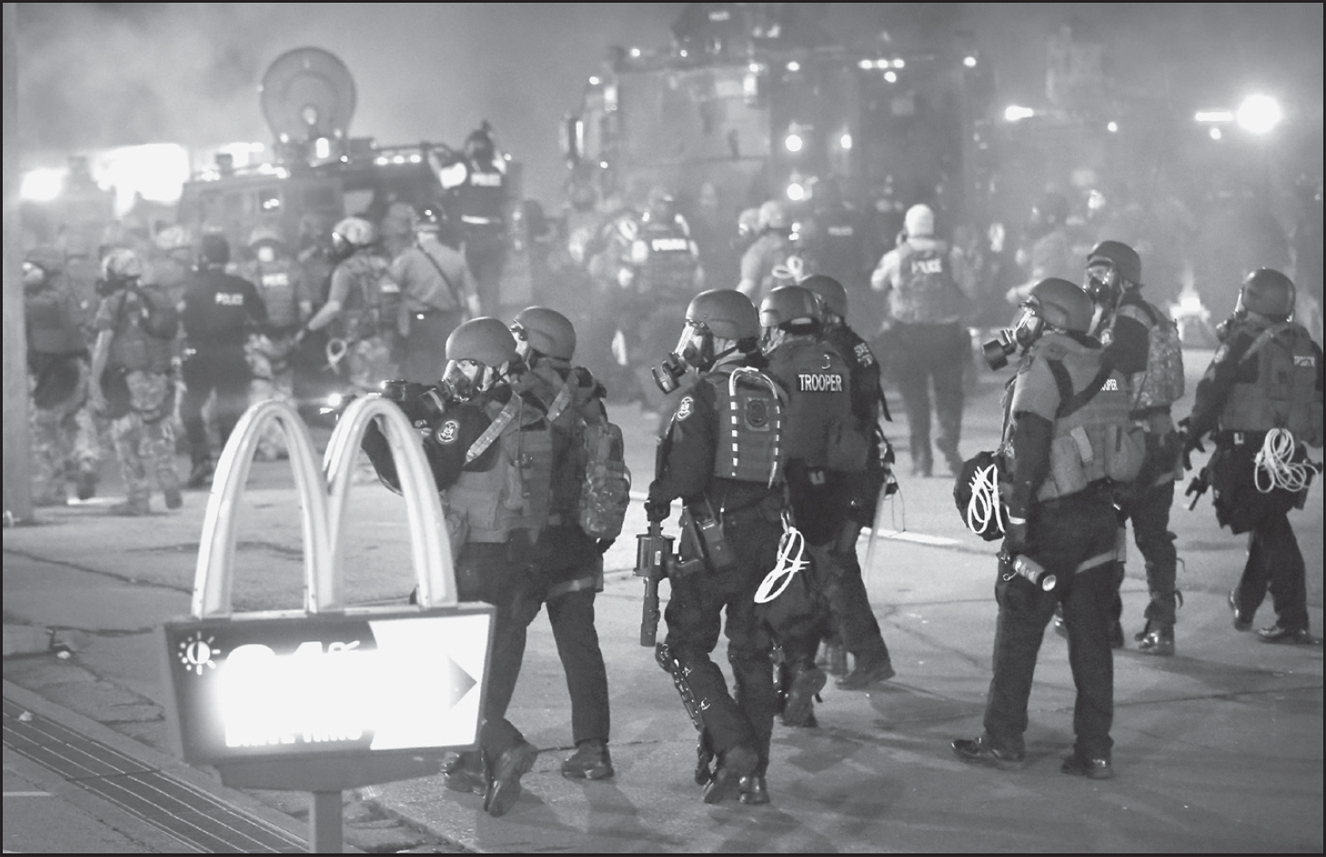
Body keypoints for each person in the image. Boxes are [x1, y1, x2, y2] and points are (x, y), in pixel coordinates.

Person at [952, 278, 1142, 780]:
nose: (1021, 321)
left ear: (1049, 317)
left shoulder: (1045, 363)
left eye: (1030, 311)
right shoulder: (1107, 362)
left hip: (1051, 518)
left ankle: (1003, 740)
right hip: (1102, 518)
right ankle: (1095, 750)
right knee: (1092, 641)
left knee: (1018, 632)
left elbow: (1032, 439)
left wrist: (1017, 520)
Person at [363, 317, 552, 817]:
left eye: (462, 364)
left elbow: (421, 479)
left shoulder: (468, 418)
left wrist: (375, 438)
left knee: (423, 649)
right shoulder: (529, 409)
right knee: (494, 659)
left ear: (482, 366)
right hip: (522, 557)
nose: (453, 375)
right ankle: (473, 762)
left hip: (476, 558)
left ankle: (504, 743)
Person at [646, 288, 787, 806]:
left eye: (695, 330)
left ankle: (732, 750)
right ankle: (755, 775)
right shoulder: (774, 388)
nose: (688, 341)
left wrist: (658, 494)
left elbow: (685, 477)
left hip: (711, 541)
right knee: (752, 653)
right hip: (769, 542)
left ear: (717, 336)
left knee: (683, 646)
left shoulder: (700, 395)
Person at [503, 306, 616, 781]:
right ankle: (594, 751)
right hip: (580, 540)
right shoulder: (589, 396)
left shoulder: (517, 394)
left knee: (503, 640)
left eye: (518, 339)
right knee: (580, 647)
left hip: (527, 543)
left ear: (535, 345)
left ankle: (483, 747)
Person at [1182, 269, 1323, 644]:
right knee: (1267, 523)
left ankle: (1292, 619)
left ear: (1253, 299)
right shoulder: (1305, 344)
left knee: (1271, 529)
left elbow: (1210, 393)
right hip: (1289, 453)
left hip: (1249, 454)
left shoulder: (1242, 341)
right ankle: (1244, 601)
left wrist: (1188, 437)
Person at [756, 284, 860, 728]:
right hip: (832, 487)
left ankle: (794, 671)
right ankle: (806, 670)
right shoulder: (834, 362)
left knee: (775, 587)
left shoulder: (774, 367)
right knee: (815, 577)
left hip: (786, 487)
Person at [1076, 241, 1186, 655]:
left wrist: (1087, 389)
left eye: (1102, 273)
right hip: (1158, 436)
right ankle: (1161, 625)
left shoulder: (1128, 319)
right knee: (1153, 536)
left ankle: (1106, 622)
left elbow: (1120, 374)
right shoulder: (1145, 313)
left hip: (1130, 442)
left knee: (1110, 534)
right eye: (1090, 273)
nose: (1093, 282)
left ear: (1123, 276)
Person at [799, 274, 898, 689]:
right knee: (830, 563)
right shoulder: (854, 344)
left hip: (848, 474)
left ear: (820, 309)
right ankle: (837, 645)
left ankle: (869, 655)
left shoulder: (828, 353)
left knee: (835, 565)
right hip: (862, 467)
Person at [870, 202, 974, 477]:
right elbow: (970, 287)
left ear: (907, 226)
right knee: (950, 394)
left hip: (908, 337)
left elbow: (877, 283)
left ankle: (921, 459)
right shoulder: (952, 254)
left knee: (914, 399)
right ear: (933, 226)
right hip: (946, 335)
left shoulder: (897, 256)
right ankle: (949, 437)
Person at [87, 248, 184, 515]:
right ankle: (167, 475)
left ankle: (138, 497)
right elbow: (174, 335)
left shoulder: (113, 302)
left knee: (124, 437)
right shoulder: (157, 298)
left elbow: (103, 345)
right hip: (159, 376)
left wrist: (94, 381)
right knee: (156, 427)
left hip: (128, 378)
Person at [179, 234, 267, 489]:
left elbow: (182, 321)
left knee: (191, 407)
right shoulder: (243, 287)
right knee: (231, 410)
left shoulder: (193, 287)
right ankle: (231, 466)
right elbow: (261, 318)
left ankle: (201, 458)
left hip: (201, 354)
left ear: (203, 257)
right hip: (234, 355)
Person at [24, 247, 101, 505]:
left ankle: (52, 487)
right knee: (73, 418)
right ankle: (85, 459)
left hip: (53, 372)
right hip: (78, 366)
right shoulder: (67, 296)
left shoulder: (33, 303)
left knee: (43, 426)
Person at [299, 217, 400, 397]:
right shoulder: (386, 266)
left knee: (361, 395)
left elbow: (334, 306)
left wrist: (308, 329)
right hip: (386, 342)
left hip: (357, 344)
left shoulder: (345, 270)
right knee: (386, 394)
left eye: (339, 241)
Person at [381, 203, 481, 384]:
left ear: (416, 228)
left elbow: (387, 290)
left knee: (422, 378)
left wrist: (390, 324)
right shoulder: (457, 258)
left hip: (420, 327)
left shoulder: (407, 258)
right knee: (448, 375)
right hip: (450, 324)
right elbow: (473, 302)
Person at [237, 226, 312, 462]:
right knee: (285, 393)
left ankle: (269, 445)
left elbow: (242, 307)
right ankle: (291, 442)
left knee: (260, 394)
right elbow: (306, 308)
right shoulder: (293, 270)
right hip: (287, 338)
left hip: (260, 340)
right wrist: (299, 332)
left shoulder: (247, 272)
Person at [437, 121, 511, 316]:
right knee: (491, 288)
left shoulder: (464, 169)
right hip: (494, 238)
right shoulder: (497, 169)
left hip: (472, 238)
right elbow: (500, 157)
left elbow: (444, 180)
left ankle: (473, 326)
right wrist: (492, 138)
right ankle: (492, 327)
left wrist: (433, 160)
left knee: (468, 286)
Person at [737, 199, 800, 303]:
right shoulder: (797, 248)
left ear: (764, 221)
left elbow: (747, 287)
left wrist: (730, 306)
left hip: (769, 312)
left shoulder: (758, 251)